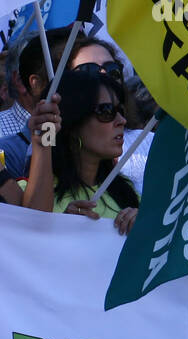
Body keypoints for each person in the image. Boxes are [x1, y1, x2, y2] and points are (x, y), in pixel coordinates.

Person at [20, 68, 139, 234]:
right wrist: (63, 225)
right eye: (107, 112)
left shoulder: (127, 193)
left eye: (121, 111)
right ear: (74, 122)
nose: (122, 121)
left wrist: (142, 226)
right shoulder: (24, 192)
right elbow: (29, 240)